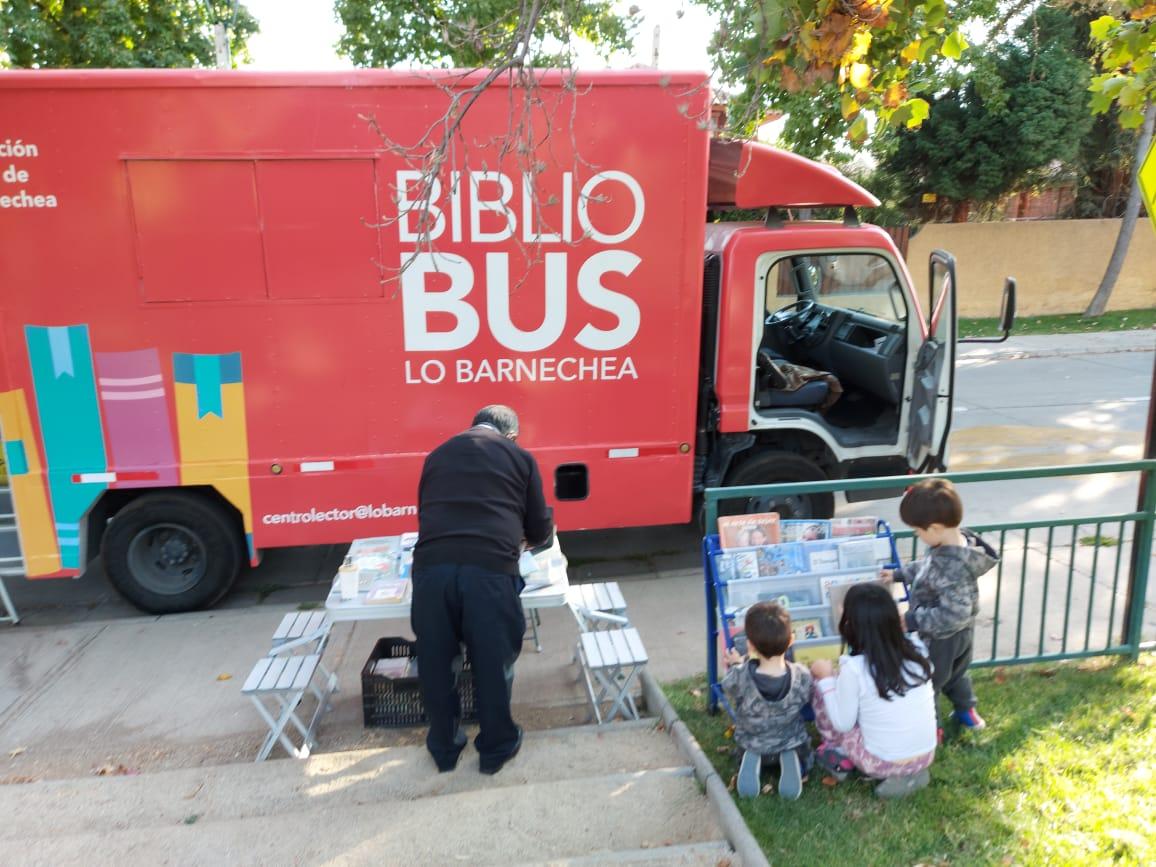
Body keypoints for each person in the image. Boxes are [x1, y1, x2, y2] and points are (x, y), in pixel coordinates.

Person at [411, 405, 553, 775]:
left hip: (432, 572)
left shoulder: (437, 455)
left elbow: (426, 512)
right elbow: (539, 528)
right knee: (492, 664)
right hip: (489, 573)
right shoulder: (519, 457)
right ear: (510, 436)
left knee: (437, 664)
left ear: (472, 426)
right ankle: (495, 749)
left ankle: (444, 748)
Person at [881, 478, 998, 732]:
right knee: (956, 675)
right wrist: (899, 575)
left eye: (917, 531)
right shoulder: (950, 547)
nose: (917, 535)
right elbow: (926, 569)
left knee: (929, 681)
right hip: (960, 635)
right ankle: (967, 712)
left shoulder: (953, 565)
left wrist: (912, 620)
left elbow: (954, 613)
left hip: (942, 638)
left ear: (933, 528)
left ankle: (930, 730)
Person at [810, 582, 937, 799]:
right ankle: (910, 774)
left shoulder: (854, 668)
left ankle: (837, 753)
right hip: (925, 755)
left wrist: (826, 680)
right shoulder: (916, 648)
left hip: (880, 763)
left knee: (823, 688)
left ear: (852, 623)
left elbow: (843, 723)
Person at [721, 601, 813, 800]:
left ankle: (751, 759)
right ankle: (798, 765)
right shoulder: (803, 675)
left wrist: (738, 663)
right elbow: (806, 698)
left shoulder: (739, 675)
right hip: (791, 740)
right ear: (791, 640)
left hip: (752, 741)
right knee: (802, 750)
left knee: (747, 748)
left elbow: (728, 686)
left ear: (750, 645)